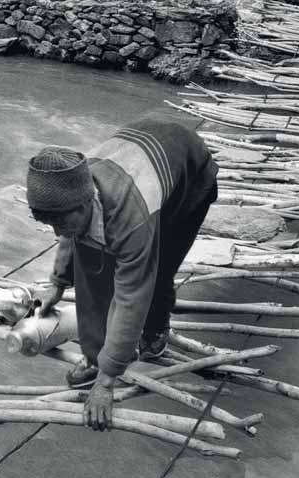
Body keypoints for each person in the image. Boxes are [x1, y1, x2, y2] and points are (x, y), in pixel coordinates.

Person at [26, 114, 218, 431]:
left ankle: (156, 334)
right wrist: (58, 284)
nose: (59, 230)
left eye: (62, 221)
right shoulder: (74, 191)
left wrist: (106, 382)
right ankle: (95, 354)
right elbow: (69, 235)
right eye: (51, 224)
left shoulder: (133, 216)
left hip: (190, 176)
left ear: (88, 202)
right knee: (92, 268)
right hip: (141, 150)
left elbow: (130, 297)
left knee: (155, 274)